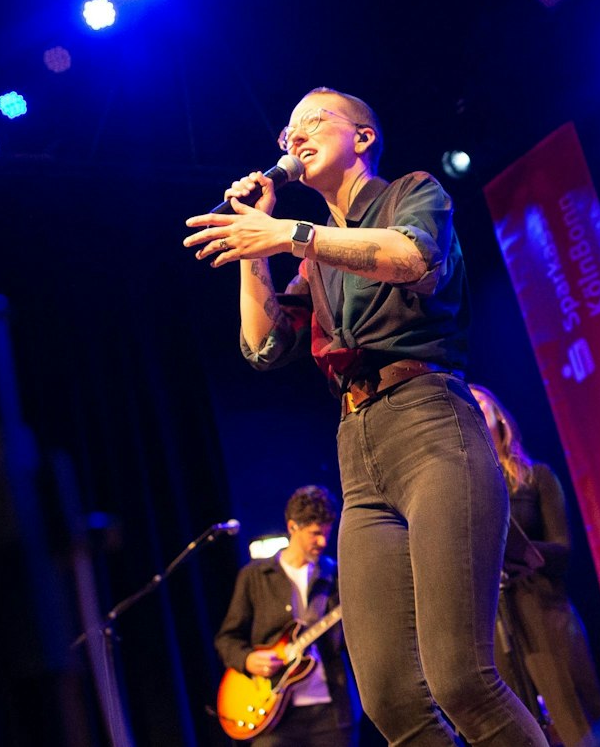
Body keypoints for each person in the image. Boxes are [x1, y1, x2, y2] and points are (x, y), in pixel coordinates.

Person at [184, 88, 545, 747]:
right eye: (287, 133)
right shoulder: (314, 258)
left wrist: (290, 234)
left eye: (312, 121)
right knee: (390, 701)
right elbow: (264, 345)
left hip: (430, 424)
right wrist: (255, 245)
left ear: (363, 137)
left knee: (461, 677)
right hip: (358, 449)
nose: (295, 136)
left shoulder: (412, 191)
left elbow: (413, 258)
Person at [468, 383, 600, 747]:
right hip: (496, 616)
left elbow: (563, 549)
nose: (472, 407)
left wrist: (520, 550)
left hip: (543, 606)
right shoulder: (466, 489)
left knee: (575, 712)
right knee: (513, 721)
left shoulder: (536, 477)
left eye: (479, 401)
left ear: (500, 417)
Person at [216, 485, 357, 747]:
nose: (323, 542)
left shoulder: (336, 576)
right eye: (315, 534)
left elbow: (353, 641)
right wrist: (247, 660)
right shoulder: (255, 576)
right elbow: (227, 638)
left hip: (331, 713)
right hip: (272, 715)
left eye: (326, 533)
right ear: (293, 527)